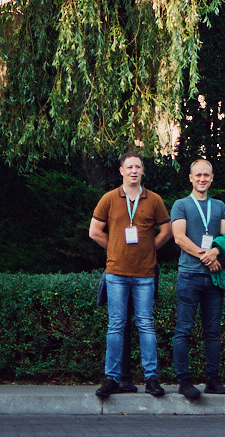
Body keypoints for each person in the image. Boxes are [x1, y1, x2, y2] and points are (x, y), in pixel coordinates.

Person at [89, 150, 172, 402]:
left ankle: (151, 378)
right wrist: (114, 247)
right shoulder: (109, 198)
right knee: (115, 325)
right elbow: (94, 231)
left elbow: (167, 231)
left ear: (143, 170)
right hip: (116, 273)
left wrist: (149, 249)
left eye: (138, 166)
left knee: (146, 325)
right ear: (121, 171)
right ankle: (111, 378)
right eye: (130, 167)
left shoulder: (154, 199)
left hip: (145, 274)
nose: (134, 171)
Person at [169, 156, 225, 402]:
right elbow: (179, 238)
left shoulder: (219, 206)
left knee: (213, 332)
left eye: (207, 175)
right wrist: (206, 255)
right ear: (191, 178)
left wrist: (216, 251)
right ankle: (184, 381)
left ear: (212, 178)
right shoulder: (181, 205)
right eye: (198, 175)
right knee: (183, 330)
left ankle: (213, 380)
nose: (202, 179)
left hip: (214, 279)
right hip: (189, 276)